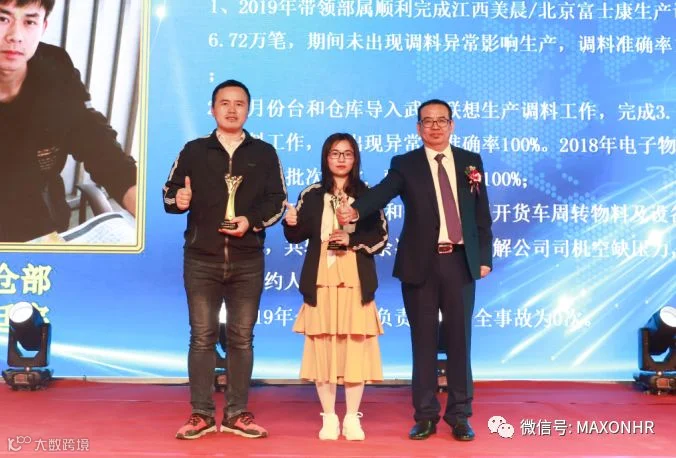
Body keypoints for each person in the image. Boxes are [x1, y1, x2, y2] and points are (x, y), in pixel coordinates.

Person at [337, 99, 493, 441]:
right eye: (427, 121)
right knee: (422, 341)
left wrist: (484, 257)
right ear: (418, 128)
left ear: (452, 125)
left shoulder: (470, 162)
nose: (435, 127)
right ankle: (425, 416)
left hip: (460, 262)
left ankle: (460, 416)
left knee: (460, 341)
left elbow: (481, 213)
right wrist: (355, 210)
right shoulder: (405, 164)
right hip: (421, 263)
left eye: (441, 120)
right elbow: (382, 192)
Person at [163, 79, 286, 440]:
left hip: (247, 260)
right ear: (212, 108)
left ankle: (236, 414)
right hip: (202, 258)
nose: (232, 110)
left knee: (242, 338)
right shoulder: (194, 150)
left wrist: (252, 221)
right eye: (225, 103)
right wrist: (179, 200)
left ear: (249, 110)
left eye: (239, 103)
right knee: (201, 337)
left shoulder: (264, 152)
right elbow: (169, 193)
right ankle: (201, 414)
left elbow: (277, 200)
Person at [0, 0, 137, 242]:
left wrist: (140, 198)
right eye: (3, 19)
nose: (15, 36)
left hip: (40, 227)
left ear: (43, 26)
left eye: (29, 21)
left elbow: (96, 142)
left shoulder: (56, 70)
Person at [283, 133, 388, 441]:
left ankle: (352, 417)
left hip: (355, 279)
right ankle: (329, 417)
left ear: (355, 159)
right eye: (334, 153)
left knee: (354, 349)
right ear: (325, 158)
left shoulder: (368, 195)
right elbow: (296, 236)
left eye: (347, 153)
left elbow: (381, 237)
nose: (341, 159)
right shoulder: (312, 194)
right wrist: (290, 222)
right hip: (321, 281)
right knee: (324, 349)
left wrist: (351, 240)